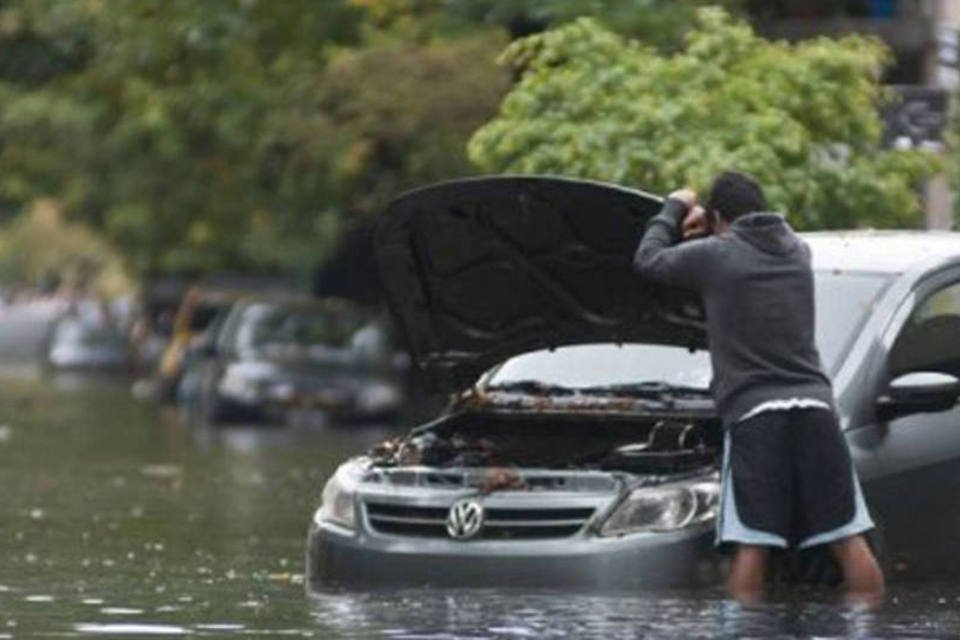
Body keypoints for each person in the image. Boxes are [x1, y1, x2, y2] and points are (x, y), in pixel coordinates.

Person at [632, 171, 885, 603]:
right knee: (846, 537)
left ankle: (746, 632)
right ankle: (869, 626)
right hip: (816, 409)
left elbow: (649, 261)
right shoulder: (797, 251)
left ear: (716, 218)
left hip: (755, 415)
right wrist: (708, 231)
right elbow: (737, 256)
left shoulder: (715, 256)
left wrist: (674, 208)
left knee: (754, 543)